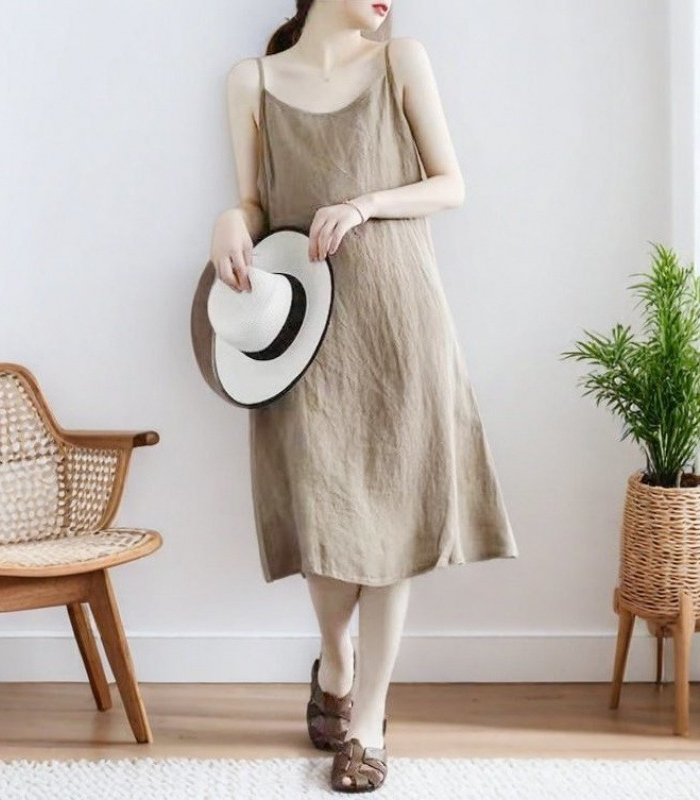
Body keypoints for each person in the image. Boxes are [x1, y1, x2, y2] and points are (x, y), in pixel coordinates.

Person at [207, 0, 519, 791]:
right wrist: (228, 221)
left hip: (399, 321)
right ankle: (335, 661)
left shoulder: (399, 61)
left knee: (394, 520)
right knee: (326, 515)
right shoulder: (251, 81)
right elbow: (254, 201)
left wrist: (364, 204)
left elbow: (451, 185)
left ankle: (368, 721)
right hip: (303, 330)